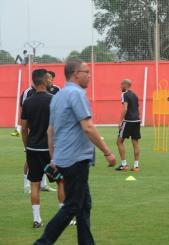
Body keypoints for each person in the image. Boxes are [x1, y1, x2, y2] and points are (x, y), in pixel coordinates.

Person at [34, 59, 116, 245]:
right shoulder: (77, 94)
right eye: (86, 71)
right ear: (75, 74)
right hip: (75, 160)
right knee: (72, 206)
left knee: (84, 205)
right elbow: (87, 127)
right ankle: (42, 242)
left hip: (65, 158)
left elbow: (50, 131)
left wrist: (54, 158)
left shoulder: (58, 96)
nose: (89, 75)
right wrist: (107, 152)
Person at [21, 69, 65, 228]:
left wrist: (27, 147)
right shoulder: (54, 100)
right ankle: (64, 217)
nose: (50, 81)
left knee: (34, 184)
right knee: (61, 181)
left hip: (33, 149)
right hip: (50, 150)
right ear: (43, 81)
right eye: (48, 78)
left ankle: (37, 219)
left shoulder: (28, 102)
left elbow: (23, 129)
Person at [115, 79, 141, 172]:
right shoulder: (135, 95)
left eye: (121, 85)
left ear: (124, 85)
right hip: (137, 120)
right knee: (135, 143)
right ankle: (136, 166)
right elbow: (137, 108)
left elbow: (125, 108)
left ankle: (124, 165)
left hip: (128, 121)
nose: (120, 87)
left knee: (119, 142)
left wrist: (120, 121)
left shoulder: (124, 94)